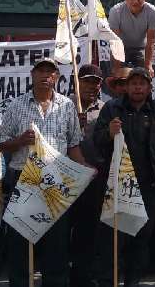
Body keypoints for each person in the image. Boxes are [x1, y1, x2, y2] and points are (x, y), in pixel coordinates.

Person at [0, 58, 87, 287]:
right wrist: (20, 141)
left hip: (56, 181)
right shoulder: (16, 105)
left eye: (50, 72)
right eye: (41, 71)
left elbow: (73, 145)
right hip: (24, 179)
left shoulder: (67, 105)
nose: (46, 75)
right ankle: (20, 283)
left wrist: (85, 170)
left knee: (56, 242)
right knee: (20, 240)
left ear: (56, 77)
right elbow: (3, 145)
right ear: (32, 75)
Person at [92, 67, 155, 287]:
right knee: (111, 241)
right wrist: (108, 133)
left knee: (140, 240)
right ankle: (107, 282)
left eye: (142, 83)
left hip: (147, 188)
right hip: (115, 187)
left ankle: (132, 282)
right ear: (126, 87)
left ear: (149, 87)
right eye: (133, 83)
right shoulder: (112, 109)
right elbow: (95, 143)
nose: (137, 87)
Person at [69, 64, 108, 287]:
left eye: (96, 82)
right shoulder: (63, 106)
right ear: (77, 81)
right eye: (87, 81)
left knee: (88, 229)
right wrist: (74, 122)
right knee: (63, 229)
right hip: (65, 175)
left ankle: (82, 275)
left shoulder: (105, 109)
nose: (92, 86)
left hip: (93, 178)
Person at [108, 0, 155, 77]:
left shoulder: (154, 12)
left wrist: (148, 65)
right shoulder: (115, 11)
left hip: (141, 48)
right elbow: (115, 42)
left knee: (145, 76)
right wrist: (117, 68)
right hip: (120, 47)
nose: (135, 1)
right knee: (118, 75)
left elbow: (151, 42)